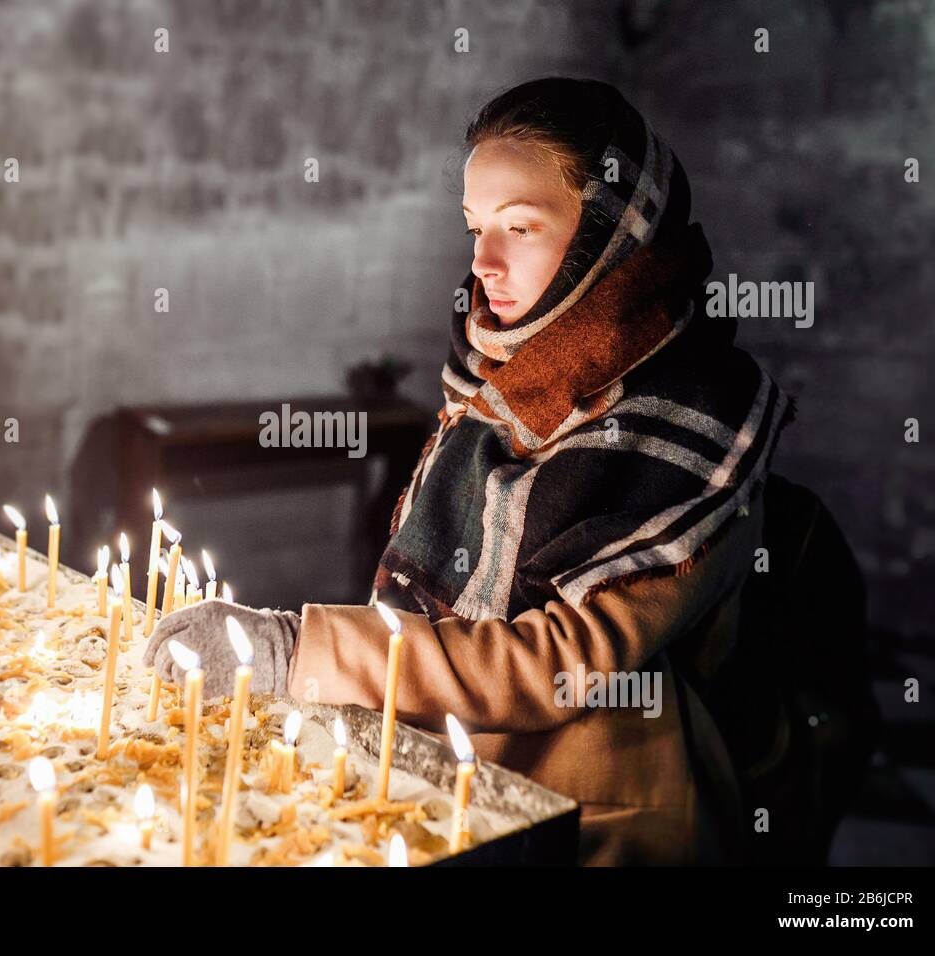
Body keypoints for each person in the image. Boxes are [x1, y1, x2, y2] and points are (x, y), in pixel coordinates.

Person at [144, 77, 796, 866]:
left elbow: (557, 664)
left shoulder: (697, 429)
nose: (483, 262)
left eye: (519, 227)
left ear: (610, 233)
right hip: (451, 775)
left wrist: (297, 650)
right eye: (474, 226)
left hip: (589, 818)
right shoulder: (494, 384)